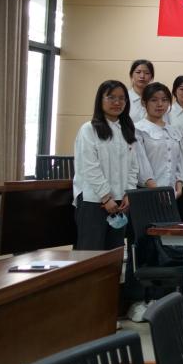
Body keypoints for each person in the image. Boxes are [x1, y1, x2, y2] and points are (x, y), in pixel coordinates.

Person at [73, 80, 139, 250]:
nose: (117, 102)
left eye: (122, 98)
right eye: (111, 97)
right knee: (91, 253)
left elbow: (133, 167)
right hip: (94, 200)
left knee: (114, 253)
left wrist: (129, 193)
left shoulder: (127, 129)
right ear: (100, 100)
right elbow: (90, 167)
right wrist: (106, 197)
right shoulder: (89, 129)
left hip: (120, 202)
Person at [134, 83, 183, 202]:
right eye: (154, 100)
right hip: (146, 193)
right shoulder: (138, 129)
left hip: (171, 194)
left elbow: (179, 160)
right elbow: (141, 162)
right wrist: (155, 188)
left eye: (164, 100)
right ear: (144, 102)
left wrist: (179, 184)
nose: (160, 104)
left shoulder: (174, 130)